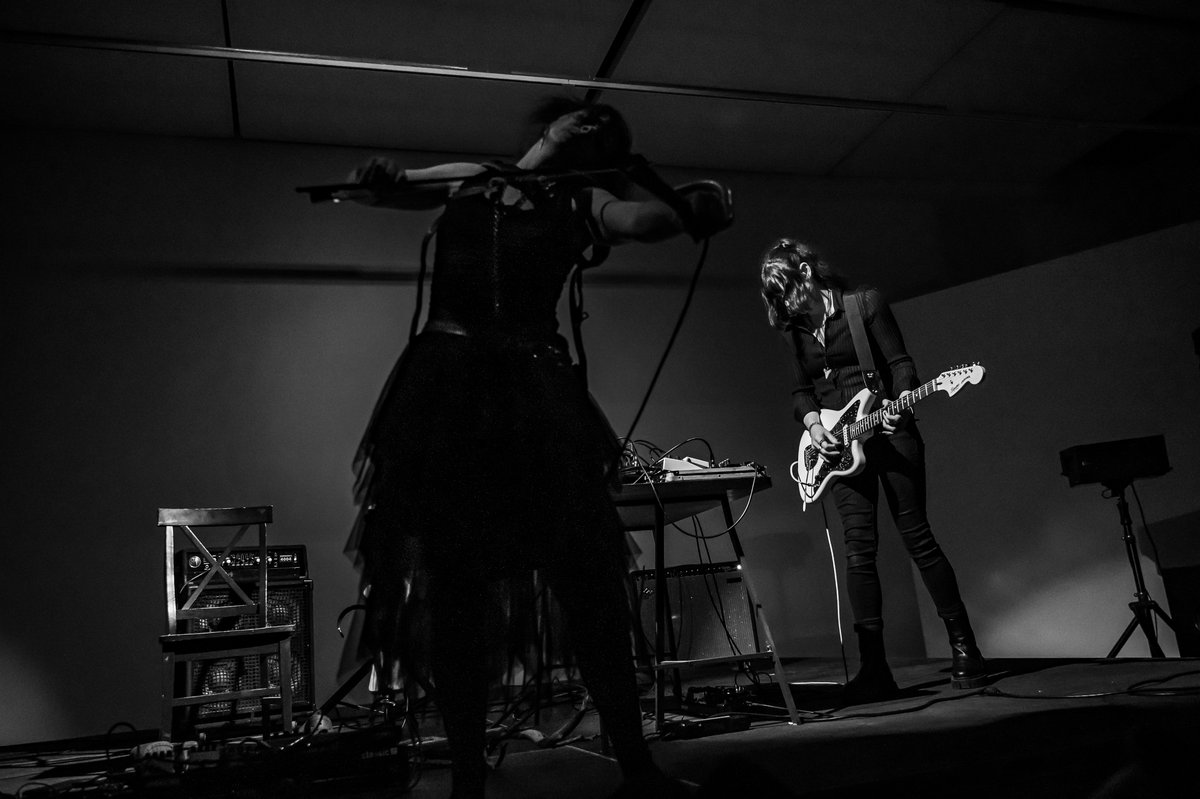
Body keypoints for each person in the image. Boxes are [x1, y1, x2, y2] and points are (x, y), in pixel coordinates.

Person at [341, 97, 731, 798]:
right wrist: (379, 179)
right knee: (456, 593)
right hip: (450, 400)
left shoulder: (583, 202)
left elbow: (643, 221)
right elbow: (391, 190)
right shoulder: (472, 178)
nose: (589, 122)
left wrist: (687, 208)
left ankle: (637, 769)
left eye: (601, 129)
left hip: (534, 402)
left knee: (589, 585)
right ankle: (467, 783)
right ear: (554, 124)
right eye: (584, 116)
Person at [758, 237, 985, 703]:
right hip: (839, 449)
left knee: (918, 538)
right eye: (777, 299)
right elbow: (801, 393)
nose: (787, 305)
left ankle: (966, 648)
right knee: (858, 552)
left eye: (788, 292)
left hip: (888, 431)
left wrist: (902, 402)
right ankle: (875, 668)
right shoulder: (793, 331)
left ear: (807, 273)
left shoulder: (864, 305)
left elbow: (900, 363)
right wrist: (814, 426)